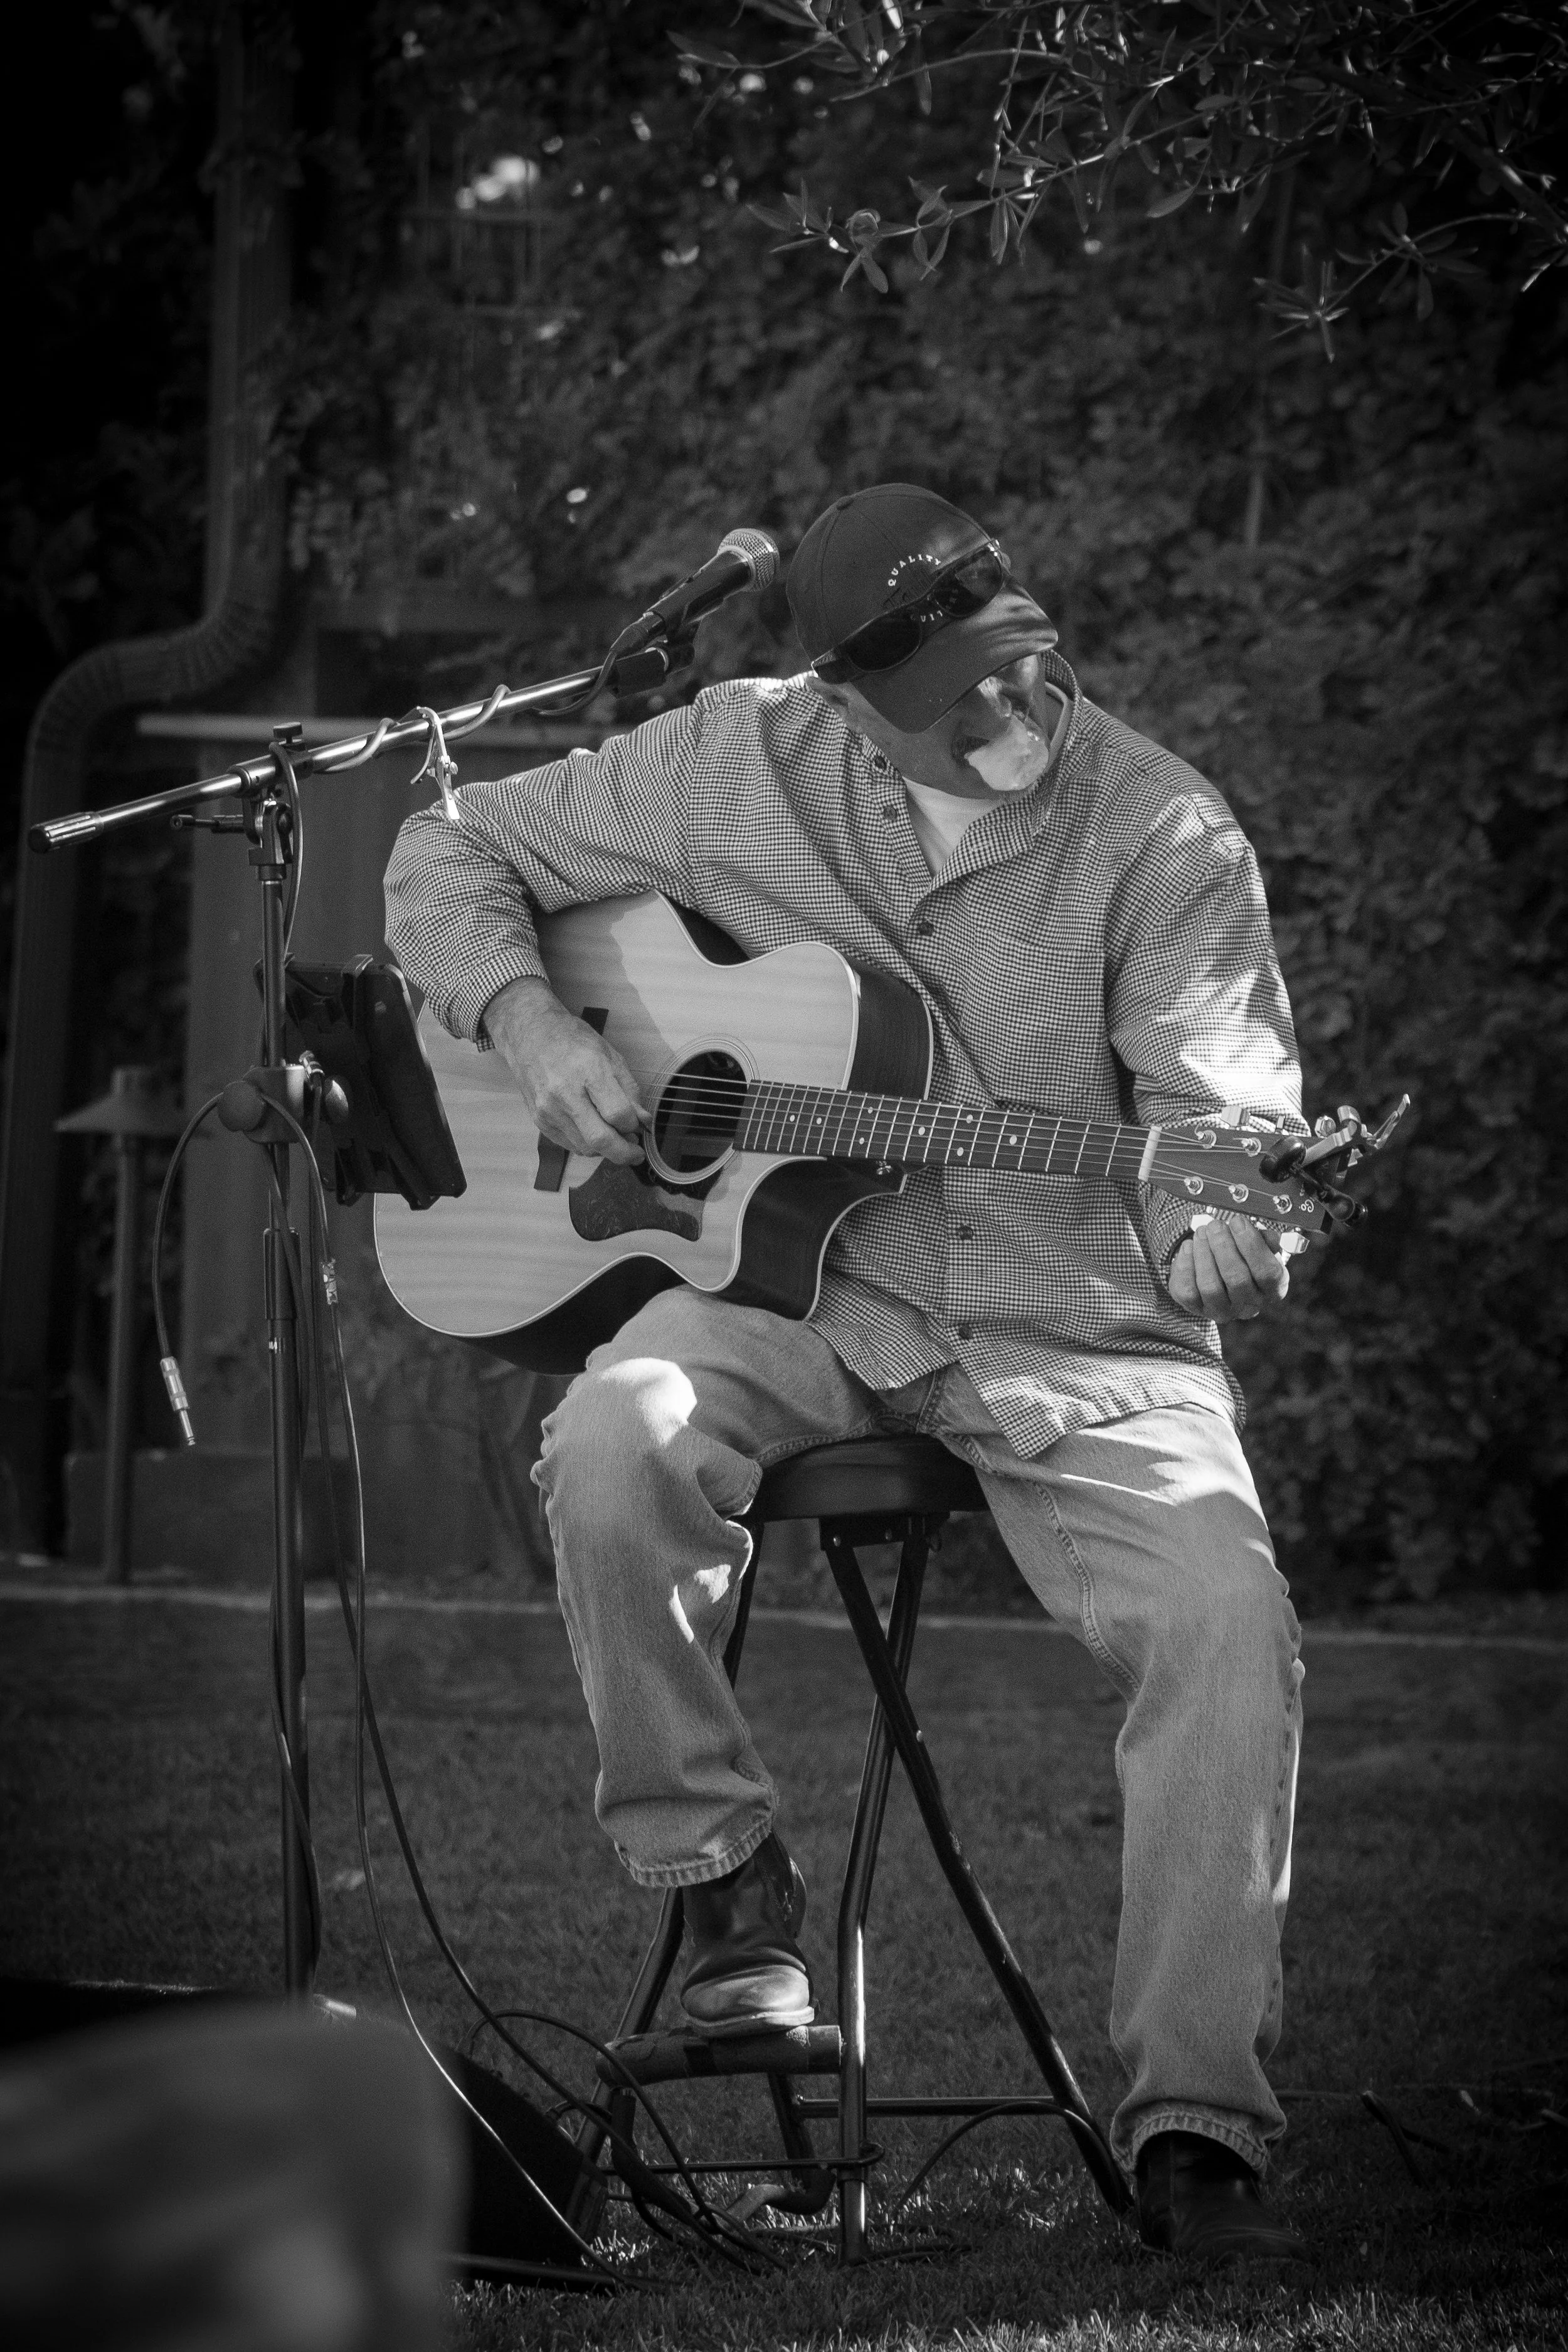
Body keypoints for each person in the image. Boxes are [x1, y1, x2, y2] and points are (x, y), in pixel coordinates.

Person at [384, 482, 1308, 2261]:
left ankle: (1197, 2121)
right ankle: (729, 1885)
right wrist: (538, 1030)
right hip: (801, 1299)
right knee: (611, 1433)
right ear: (848, 699)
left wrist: (1227, 1212)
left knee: (1221, 1614)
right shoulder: (740, 759)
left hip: (1074, 1336)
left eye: (1021, 664)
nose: (1007, 709)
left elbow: (1223, 1115)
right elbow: (443, 852)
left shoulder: (1163, 831)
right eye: (955, 693)